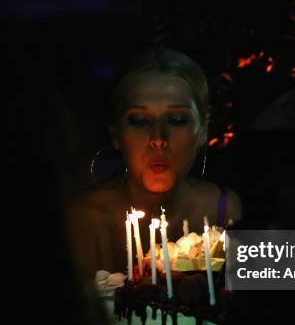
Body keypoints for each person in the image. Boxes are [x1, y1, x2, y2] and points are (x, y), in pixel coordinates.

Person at [66, 46, 242, 278]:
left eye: (177, 119)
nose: (158, 139)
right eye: (139, 120)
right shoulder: (81, 221)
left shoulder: (224, 209)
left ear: (203, 129)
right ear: (116, 134)